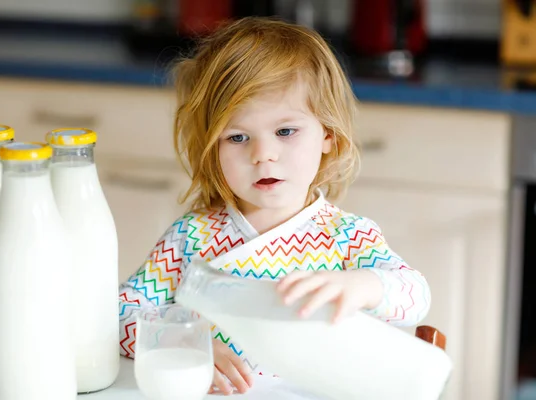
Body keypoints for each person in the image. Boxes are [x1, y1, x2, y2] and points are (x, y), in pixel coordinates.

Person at [119, 16, 431, 396]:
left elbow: (415, 296)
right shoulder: (192, 237)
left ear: (328, 135)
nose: (263, 154)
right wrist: (181, 344)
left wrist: (366, 286)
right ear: (211, 149)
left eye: (285, 131)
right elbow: (121, 314)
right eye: (237, 137)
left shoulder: (347, 237)